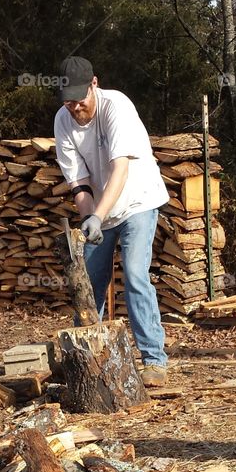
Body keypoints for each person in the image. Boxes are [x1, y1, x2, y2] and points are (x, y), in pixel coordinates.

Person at [53, 56, 169, 386]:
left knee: (134, 273)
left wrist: (97, 216)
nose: (75, 107)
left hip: (137, 201)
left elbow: (120, 170)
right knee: (87, 283)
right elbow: (79, 183)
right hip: (101, 208)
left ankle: (153, 360)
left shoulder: (116, 106)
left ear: (94, 84)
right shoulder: (62, 121)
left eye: (80, 98)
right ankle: (84, 363)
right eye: (68, 101)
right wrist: (90, 217)